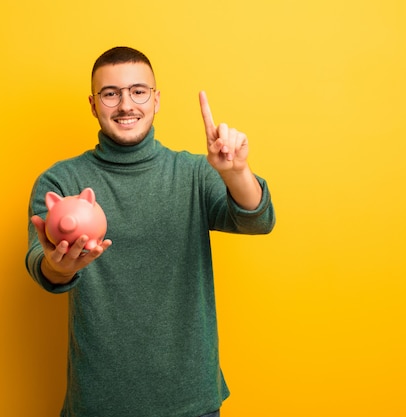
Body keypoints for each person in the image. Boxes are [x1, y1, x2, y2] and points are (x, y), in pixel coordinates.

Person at [26, 46, 275, 417]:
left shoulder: (192, 173)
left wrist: (236, 172)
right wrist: (60, 268)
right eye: (111, 94)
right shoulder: (62, 180)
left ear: (156, 100)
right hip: (98, 401)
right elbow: (40, 264)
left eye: (138, 91)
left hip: (191, 401)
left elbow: (257, 220)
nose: (126, 104)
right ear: (94, 104)